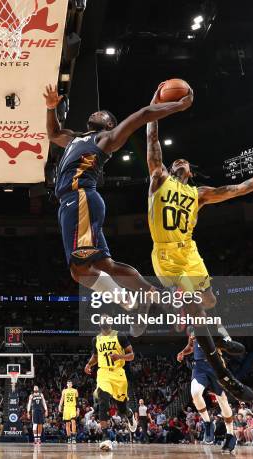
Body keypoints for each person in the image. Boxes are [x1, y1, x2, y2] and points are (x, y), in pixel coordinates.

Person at [146, 97, 253, 401]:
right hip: (166, 254)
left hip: (189, 251)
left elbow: (242, 188)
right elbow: (151, 138)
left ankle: (217, 335)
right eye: (176, 160)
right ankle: (225, 376)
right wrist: (154, 105)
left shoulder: (200, 194)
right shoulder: (158, 178)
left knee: (209, 299)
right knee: (195, 308)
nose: (180, 162)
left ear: (189, 173)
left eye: (185, 162)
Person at [44, 83, 193, 336]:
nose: (97, 112)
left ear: (110, 125)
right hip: (76, 203)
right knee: (106, 264)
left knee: (79, 270)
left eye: (104, 114)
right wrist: (50, 108)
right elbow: (53, 132)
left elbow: (143, 115)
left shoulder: (106, 139)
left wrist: (177, 106)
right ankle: (148, 293)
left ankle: (128, 301)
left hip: (80, 199)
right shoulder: (75, 138)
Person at [177, 330, 237, 453]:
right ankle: (208, 423)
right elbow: (191, 346)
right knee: (195, 392)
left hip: (216, 365)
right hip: (199, 366)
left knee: (223, 401)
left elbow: (230, 345)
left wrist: (225, 341)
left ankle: (230, 434)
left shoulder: (216, 327)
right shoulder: (193, 329)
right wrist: (183, 352)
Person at [84, 317, 136, 451]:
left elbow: (131, 355)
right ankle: (105, 438)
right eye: (103, 318)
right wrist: (89, 364)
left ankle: (129, 414)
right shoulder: (96, 339)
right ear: (100, 323)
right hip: (103, 373)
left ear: (110, 323)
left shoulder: (120, 336)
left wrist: (120, 357)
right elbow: (96, 357)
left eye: (107, 318)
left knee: (121, 409)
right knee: (103, 402)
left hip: (118, 373)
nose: (105, 320)